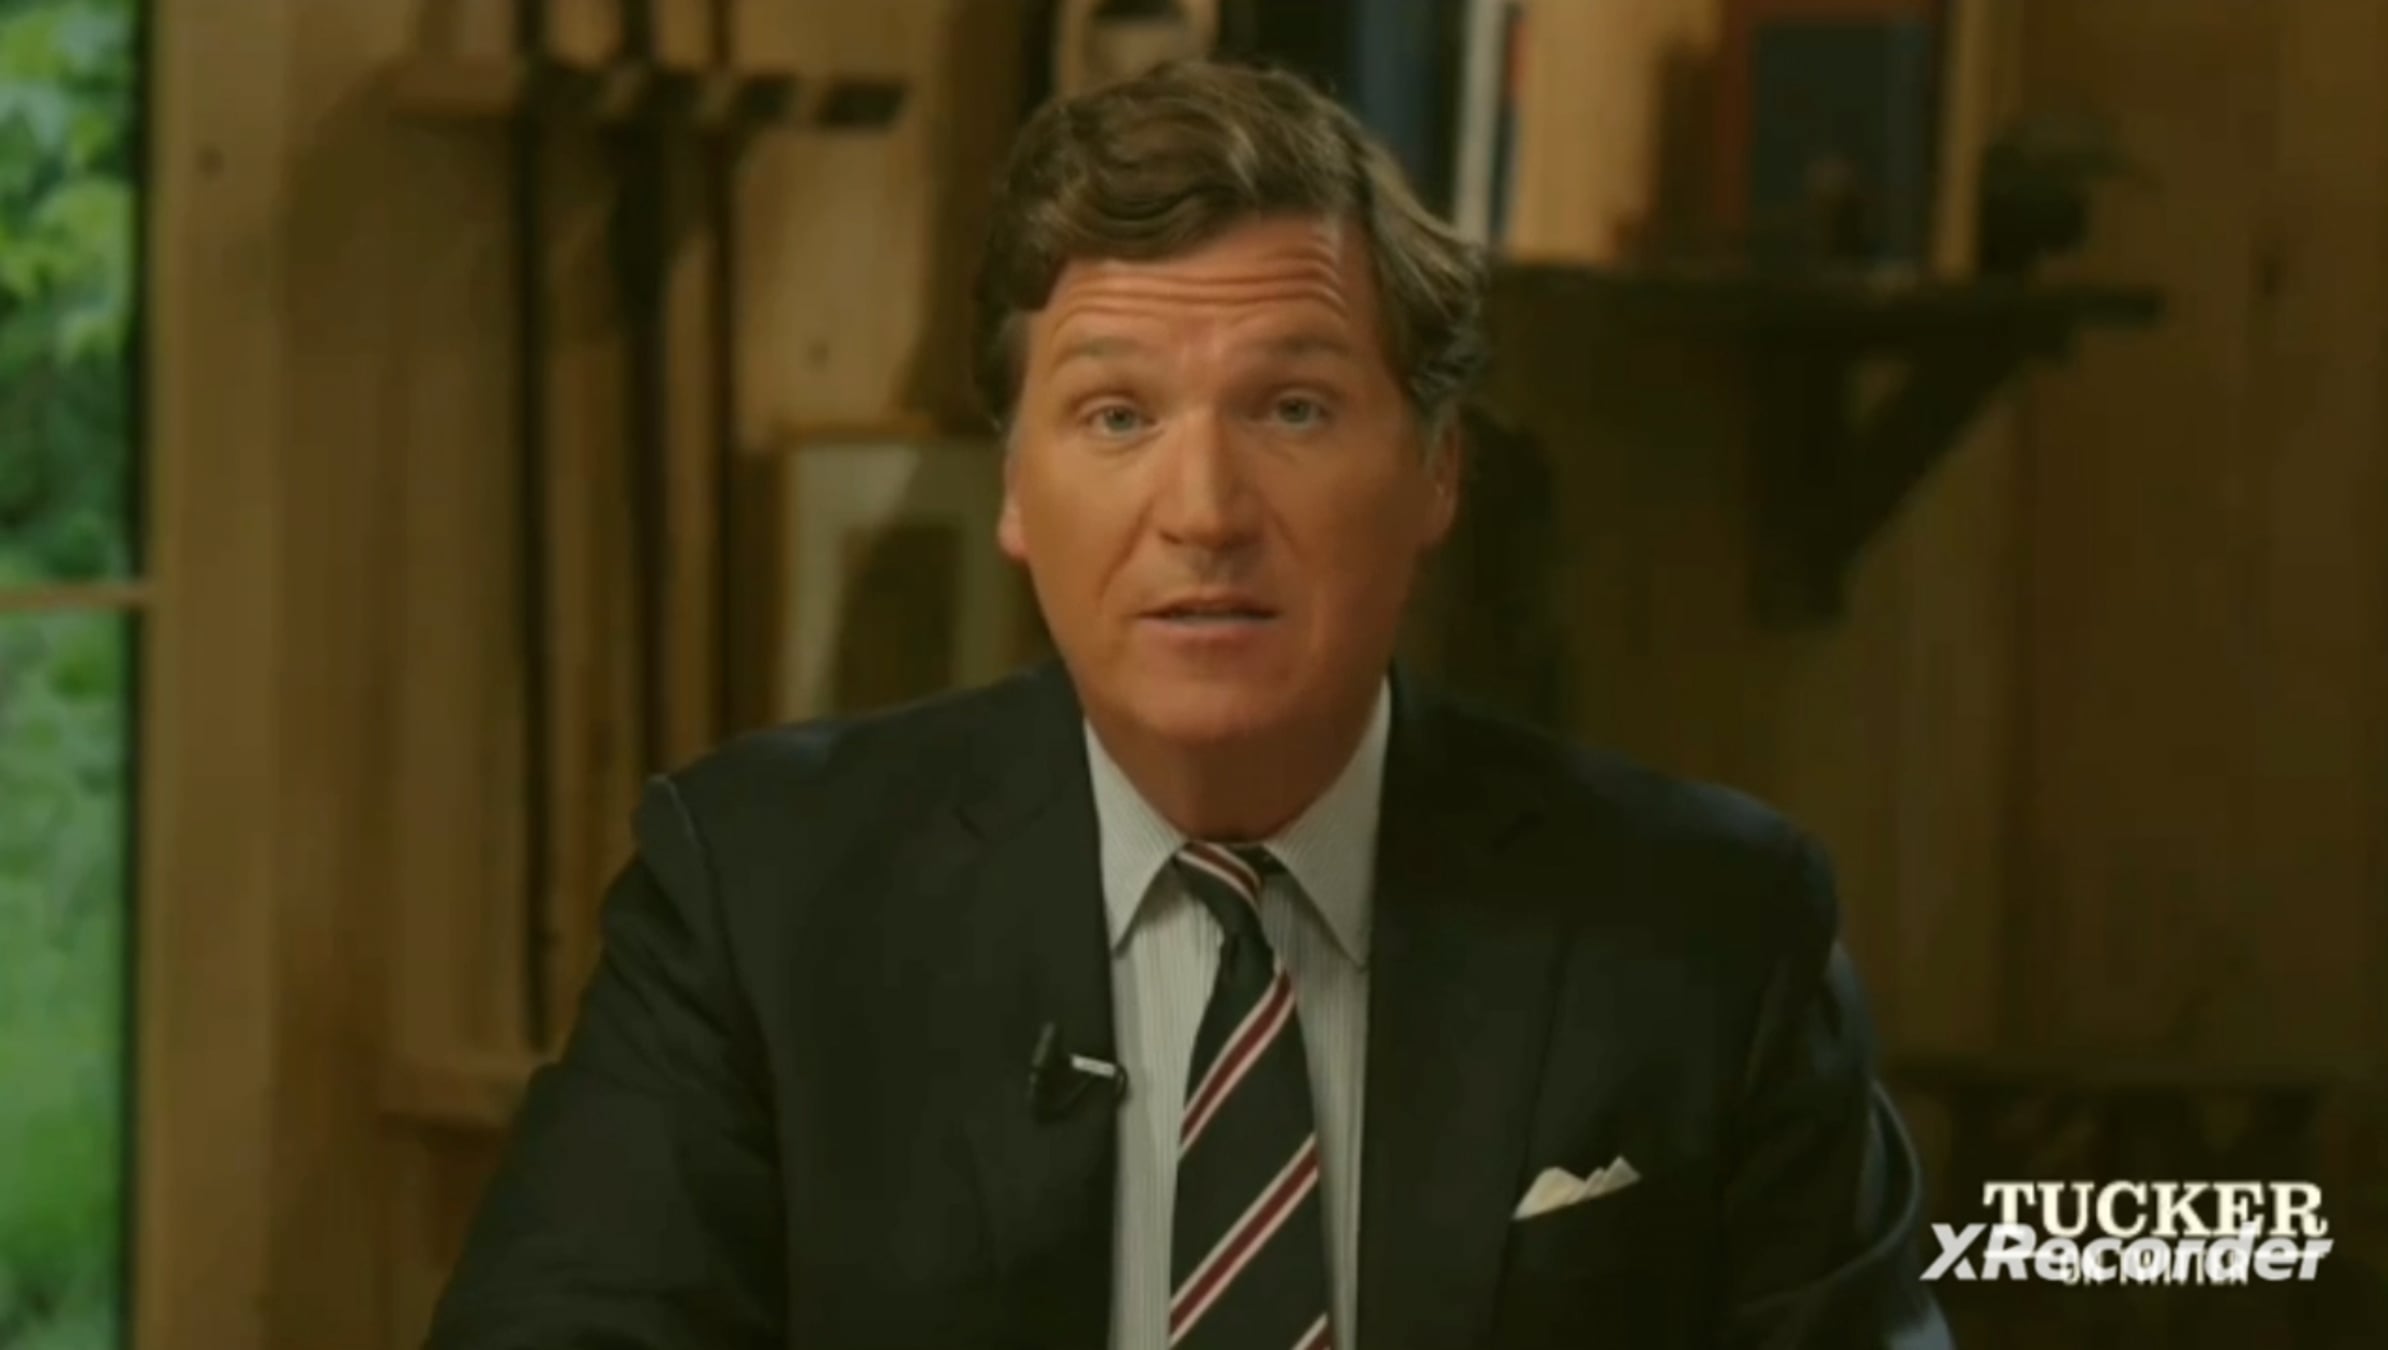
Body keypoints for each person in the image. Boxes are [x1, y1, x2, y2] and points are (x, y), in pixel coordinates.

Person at [427, 58, 1949, 1350]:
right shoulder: (759, 898)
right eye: (1117, 415)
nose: (1205, 508)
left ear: (1437, 469)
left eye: (1293, 407)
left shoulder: (1709, 931)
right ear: (1013, 487)